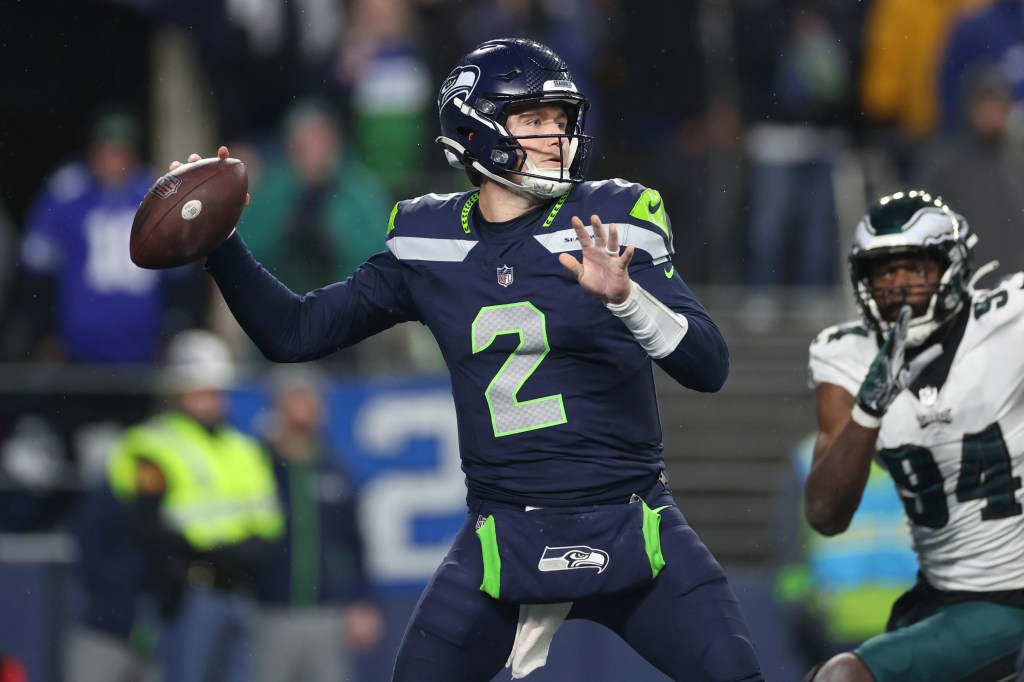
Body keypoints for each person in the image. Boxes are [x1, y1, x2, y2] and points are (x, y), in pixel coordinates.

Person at [180, 38, 764, 682]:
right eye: (534, 120)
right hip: (503, 532)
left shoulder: (611, 219)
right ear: (476, 129)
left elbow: (710, 368)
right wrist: (222, 245)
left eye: (561, 121)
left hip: (631, 518)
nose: (556, 137)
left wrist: (628, 298)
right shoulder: (429, 240)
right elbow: (292, 332)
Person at [803, 190, 1024, 681]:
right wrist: (868, 408)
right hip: (940, 597)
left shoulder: (1011, 320)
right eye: (884, 271)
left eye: (914, 268)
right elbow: (825, 514)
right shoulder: (847, 355)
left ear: (950, 265)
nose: (898, 285)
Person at [106, 329, 284, 682]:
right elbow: (143, 525)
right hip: (191, 592)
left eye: (214, 390)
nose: (207, 398)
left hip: (241, 591)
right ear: (177, 390)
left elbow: (268, 521)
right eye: (198, 389)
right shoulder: (156, 444)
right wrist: (203, 552)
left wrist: (233, 551)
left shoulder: (243, 448)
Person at [15, 107, 209, 364]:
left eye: (120, 153)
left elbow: (184, 270)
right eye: (106, 152)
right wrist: (46, 331)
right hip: (78, 346)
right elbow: (35, 261)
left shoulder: (155, 193)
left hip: (143, 347)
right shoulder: (68, 193)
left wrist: (171, 329)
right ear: (92, 154)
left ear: (134, 155)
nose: (113, 162)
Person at [255, 364, 384, 682]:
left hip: (326, 613)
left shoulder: (334, 470)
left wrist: (362, 601)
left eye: (311, 398)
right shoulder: (257, 466)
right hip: (268, 612)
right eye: (297, 397)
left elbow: (354, 543)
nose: (307, 407)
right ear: (278, 405)